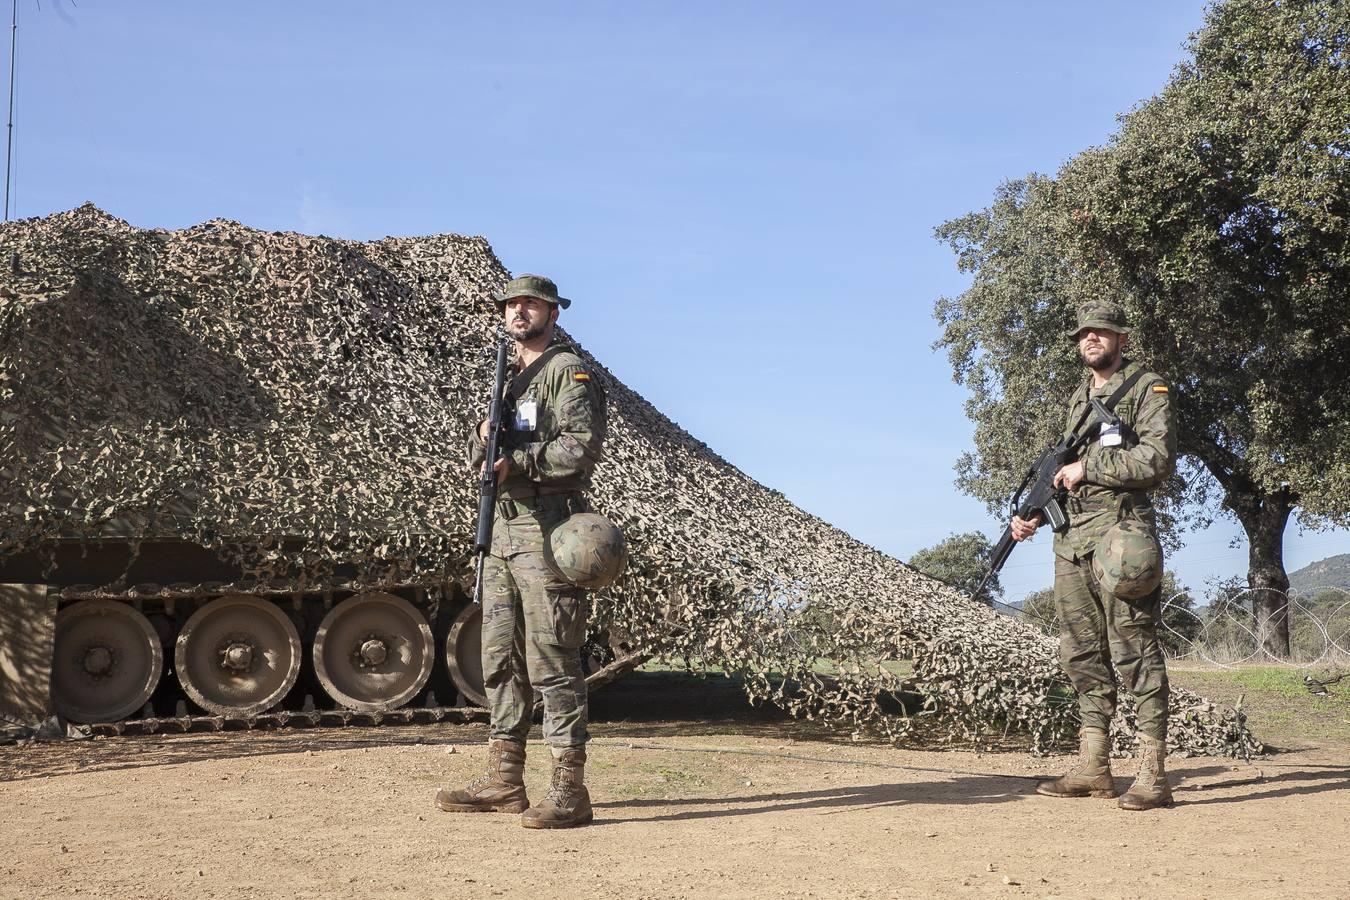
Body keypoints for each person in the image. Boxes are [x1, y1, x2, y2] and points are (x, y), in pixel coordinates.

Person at [436, 273, 606, 829]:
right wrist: (481, 445)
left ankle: (569, 789)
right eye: (512, 304)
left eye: (531, 304)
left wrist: (522, 461)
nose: (519, 311)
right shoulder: (504, 377)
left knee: (552, 657)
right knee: (499, 658)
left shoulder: (566, 372)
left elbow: (580, 448)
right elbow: (481, 450)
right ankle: (505, 780)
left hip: (545, 528)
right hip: (501, 533)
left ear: (553, 312)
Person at [1010, 300, 1177, 811]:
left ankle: (1153, 772)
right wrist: (1035, 513)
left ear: (1121, 339)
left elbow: (1157, 458)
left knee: (1133, 648)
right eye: (1085, 334)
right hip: (1072, 540)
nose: (1091, 340)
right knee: (1080, 653)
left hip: (1121, 536)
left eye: (1101, 333)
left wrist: (1091, 467)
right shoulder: (1079, 397)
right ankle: (1094, 766)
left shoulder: (1149, 388)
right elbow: (1064, 467)